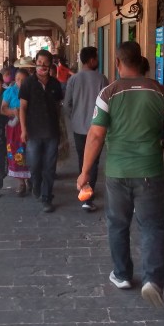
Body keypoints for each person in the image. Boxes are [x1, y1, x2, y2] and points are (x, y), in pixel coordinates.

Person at [77, 41, 164, 308]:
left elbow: (96, 135)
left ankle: (122, 275)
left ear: (118, 63)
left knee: (117, 224)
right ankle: (152, 281)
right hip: (150, 172)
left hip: (117, 173)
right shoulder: (160, 91)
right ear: (141, 61)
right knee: (153, 226)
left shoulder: (108, 93)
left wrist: (85, 172)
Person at [64, 46, 108, 213]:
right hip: (97, 128)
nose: (97, 60)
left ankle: (84, 189)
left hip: (78, 128)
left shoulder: (73, 80)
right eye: (96, 58)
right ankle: (88, 198)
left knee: (83, 160)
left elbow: (66, 104)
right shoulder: (102, 79)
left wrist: (75, 118)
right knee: (93, 162)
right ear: (91, 60)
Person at [19, 49, 64, 213]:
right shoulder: (28, 83)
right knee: (34, 164)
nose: (42, 66)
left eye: (45, 63)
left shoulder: (55, 84)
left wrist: (62, 130)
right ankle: (35, 184)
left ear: (50, 65)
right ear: (35, 63)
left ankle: (47, 198)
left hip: (52, 132)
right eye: (39, 63)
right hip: (33, 132)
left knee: (50, 167)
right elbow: (22, 108)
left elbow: (58, 107)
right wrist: (23, 130)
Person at [2, 61, 34, 196]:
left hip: (29, 126)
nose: (20, 82)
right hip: (14, 128)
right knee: (16, 153)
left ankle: (30, 179)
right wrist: (13, 111)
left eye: (23, 79)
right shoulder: (10, 91)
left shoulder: (32, 90)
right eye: (17, 79)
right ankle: (21, 182)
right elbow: (2, 109)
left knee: (30, 152)